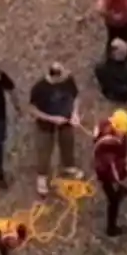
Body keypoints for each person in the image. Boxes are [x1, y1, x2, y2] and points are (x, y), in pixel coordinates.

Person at [28, 63, 81, 198]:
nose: (66, 78)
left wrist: (75, 113)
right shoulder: (39, 88)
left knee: (68, 143)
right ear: (54, 77)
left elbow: (75, 97)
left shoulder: (68, 79)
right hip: (46, 125)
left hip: (65, 120)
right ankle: (42, 178)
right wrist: (51, 119)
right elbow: (32, 110)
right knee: (44, 152)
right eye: (62, 77)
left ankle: (68, 167)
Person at [93, 110, 127, 237]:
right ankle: (111, 228)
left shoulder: (104, 126)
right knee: (113, 200)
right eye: (122, 131)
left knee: (115, 190)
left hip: (107, 165)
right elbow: (113, 169)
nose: (124, 134)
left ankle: (119, 192)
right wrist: (122, 176)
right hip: (106, 173)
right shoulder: (108, 146)